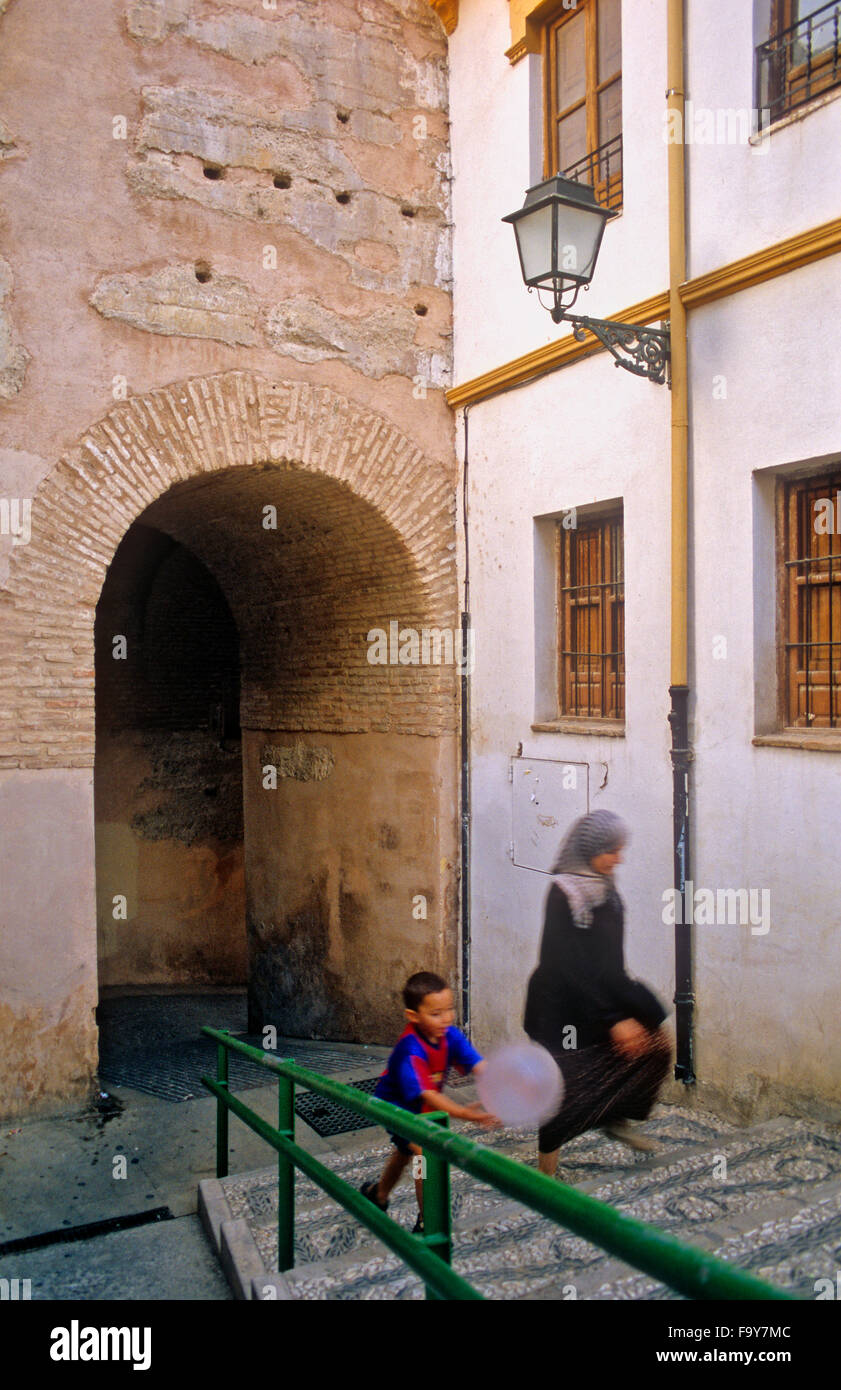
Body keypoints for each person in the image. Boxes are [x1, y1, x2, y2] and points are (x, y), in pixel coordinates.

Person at [524, 809, 671, 1178]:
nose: (618, 858)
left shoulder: (604, 885)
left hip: (604, 991)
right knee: (566, 1087)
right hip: (561, 1006)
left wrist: (634, 1009)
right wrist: (614, 1019)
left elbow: (607, 962)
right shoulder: (565, 893)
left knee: (656, 1045)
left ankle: (613, 1116)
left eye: (620, 849)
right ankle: (546, 1172)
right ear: (590, 849)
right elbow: (567, 967)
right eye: (612, 850)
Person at [360, 971, 497, 1233]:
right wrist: (465, 1114)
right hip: (394, 1108)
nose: (445, 1018)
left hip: (421, 1110)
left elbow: (479, 1066)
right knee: (423, 1154)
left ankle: (378, 1194)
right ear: (413, 1016)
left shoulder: (450, 1036)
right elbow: (429, 1094)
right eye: (436, 1014)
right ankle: (426, 1219)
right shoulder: (409, 1049)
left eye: (449, 1009)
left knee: (404, 1152)